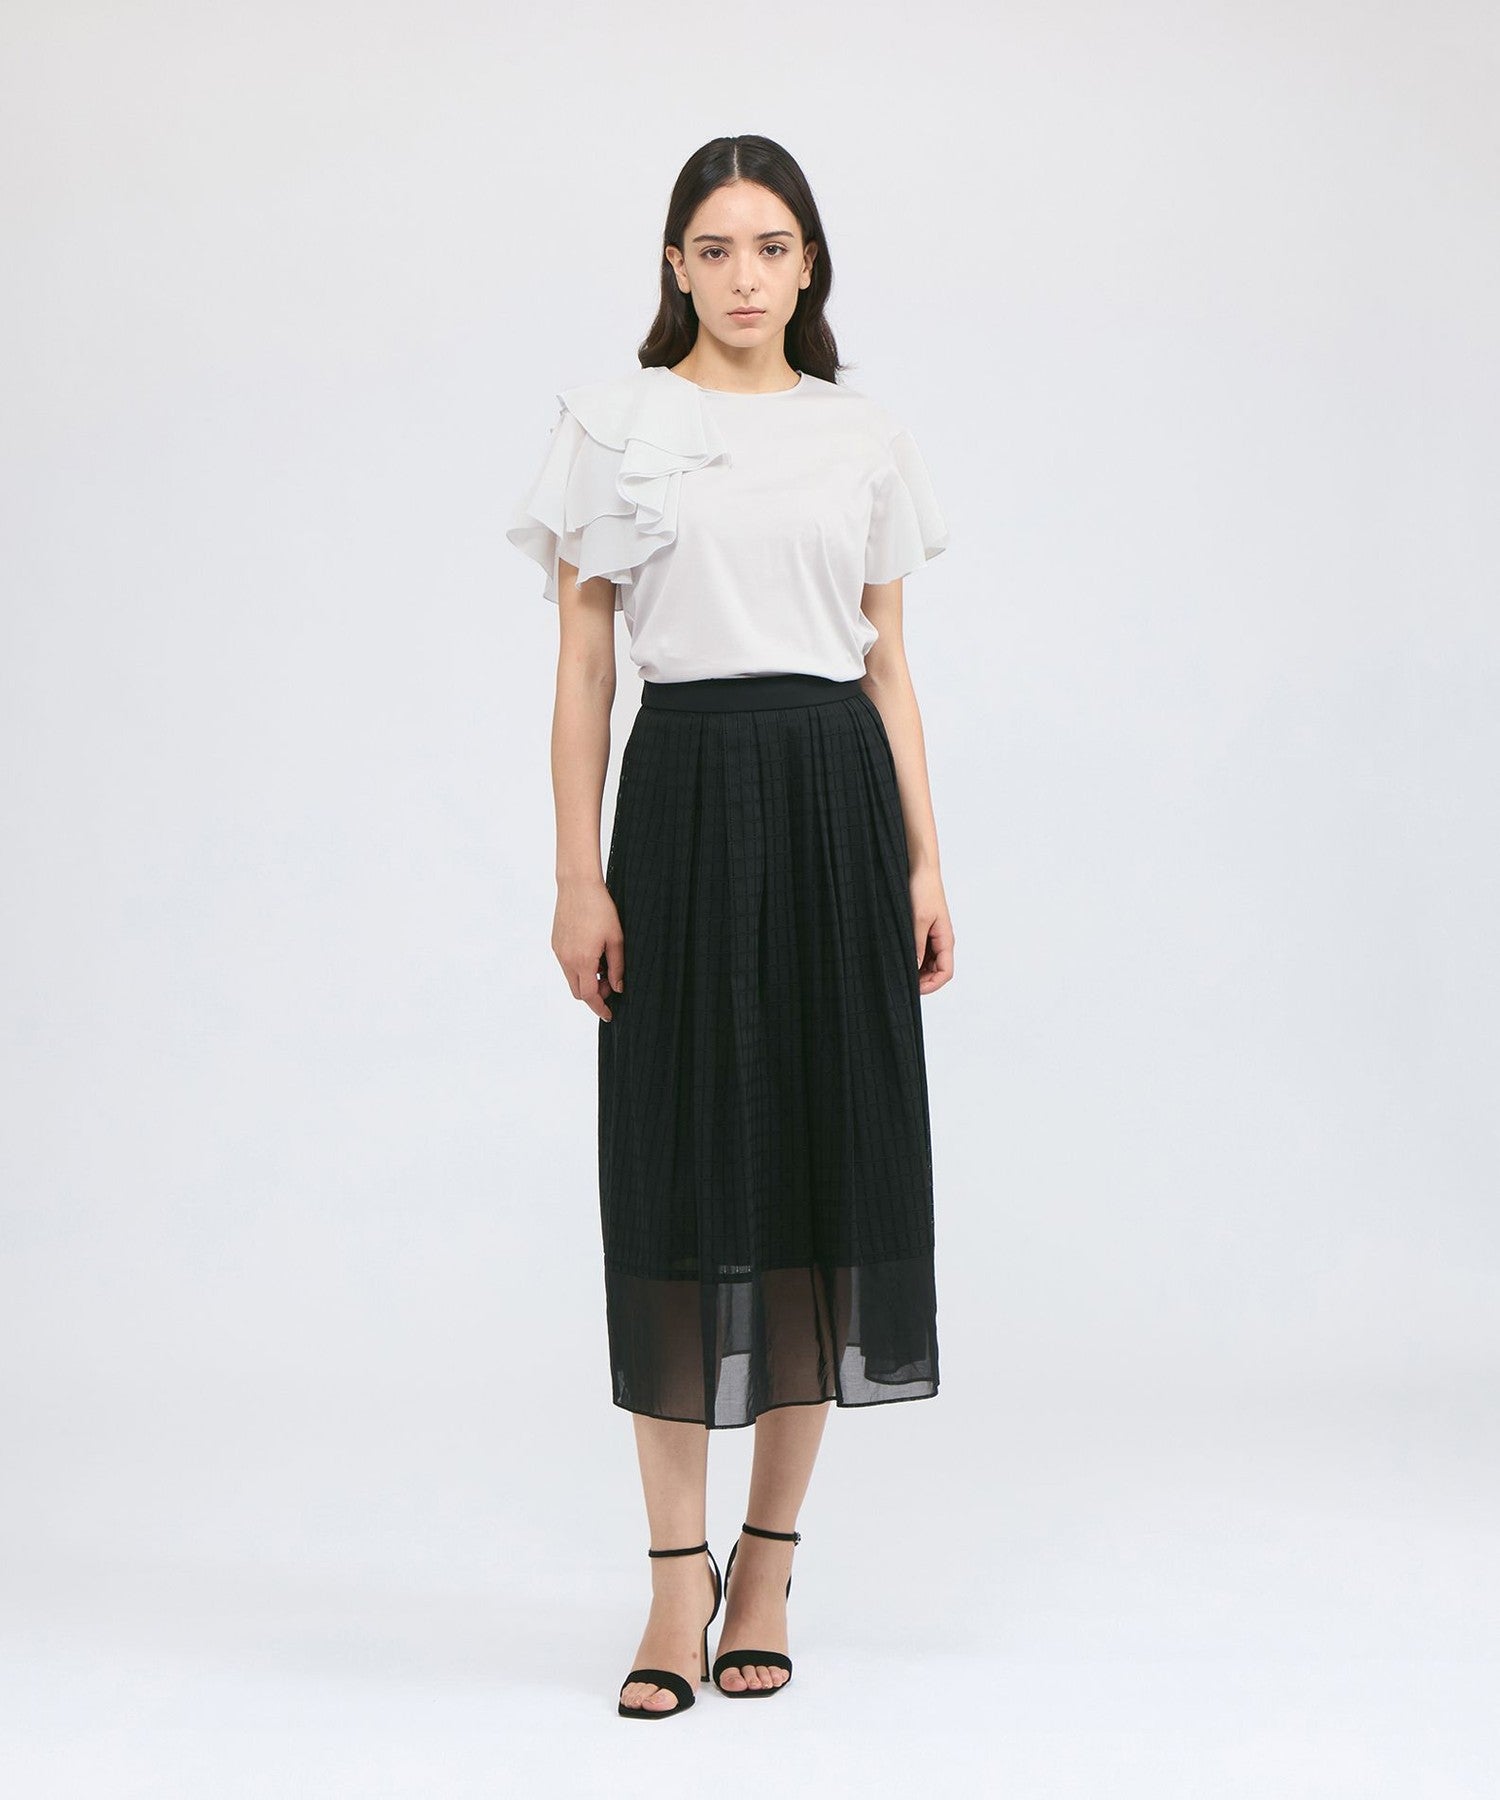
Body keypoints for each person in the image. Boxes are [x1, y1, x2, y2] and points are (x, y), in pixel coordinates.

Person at [507, 134, 955, 1719]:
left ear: (808, 263)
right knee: (682, 1172)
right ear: (675, 266)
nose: (745, 275)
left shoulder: (861, 435)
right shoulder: (616, 427)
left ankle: (766, 1562)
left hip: (837, 801)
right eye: (715, 248)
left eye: (772, 246)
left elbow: (886, 664)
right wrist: (578, 875)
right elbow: (585, 670)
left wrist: (925, 863)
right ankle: (670, 1577)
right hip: (686, 798)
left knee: (823, 1167)